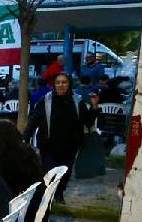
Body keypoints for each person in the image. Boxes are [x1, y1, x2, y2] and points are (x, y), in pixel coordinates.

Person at [24, 72, 94, 201]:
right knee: (50, 170)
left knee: (65, 172)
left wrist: (94, 107)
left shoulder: (77, 101)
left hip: (70, 144)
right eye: (58, 82)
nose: (60, 85)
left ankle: (59, 193)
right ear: (54, 85)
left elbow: (88, 122)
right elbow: (34, 121)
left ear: (69, 85)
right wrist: (25, 138)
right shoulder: (46, 100)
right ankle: (49, 195)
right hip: (48, 143)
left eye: (64, 82)